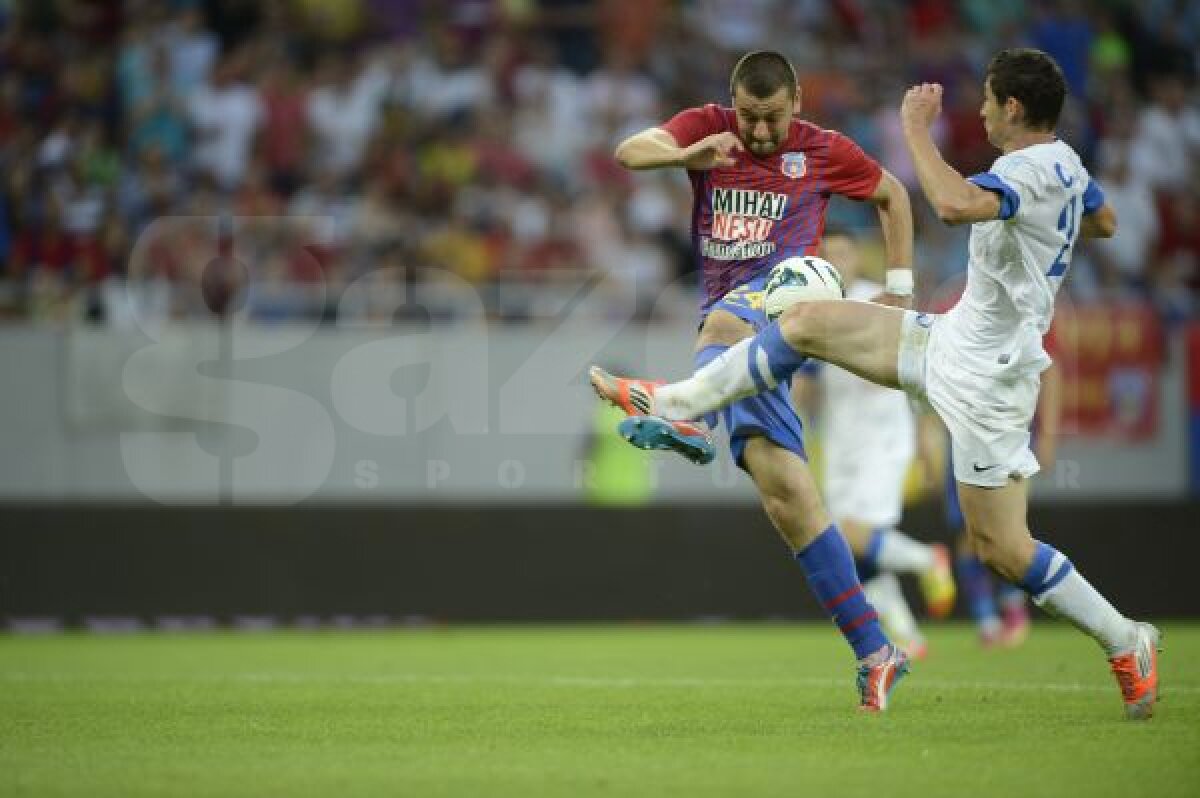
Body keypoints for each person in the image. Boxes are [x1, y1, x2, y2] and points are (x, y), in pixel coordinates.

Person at [593, 48, 1161, 719]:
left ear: (1011, 107)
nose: (976, 110)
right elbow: (1105, 220)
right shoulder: (1067, 167)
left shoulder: (1026, 167)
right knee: (801, 334)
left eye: (984, 99)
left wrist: (915, 128)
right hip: (950, 339)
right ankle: (684, 407)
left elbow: (947, 204)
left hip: (993, 375)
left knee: (1002, 548)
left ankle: (1126, 638)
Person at [604, 50, 917, 710]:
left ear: (797, 101)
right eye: (750, 116)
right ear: (732, 102)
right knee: (789, 498)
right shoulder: (708, 126)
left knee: (726, 319)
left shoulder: (823, 149)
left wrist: (898, 291)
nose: (760, 131)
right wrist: (686, 154)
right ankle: (875, 650)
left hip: (791, 299)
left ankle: (691, 415)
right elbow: (632, 152)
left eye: (772, 117)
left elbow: (892, 194)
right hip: (739, 334)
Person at [791, 228, 955, 659]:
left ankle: (928, 559)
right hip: (840, 440)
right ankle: (907, 636)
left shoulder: (879, 302)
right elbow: (806, 381)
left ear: (855, 257)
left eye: (843, 253)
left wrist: (926, 435)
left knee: (853, 534)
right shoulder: (812, 310)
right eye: (827, 255)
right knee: (848, 546)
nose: (836, 262)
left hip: (884, 436)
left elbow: (916, 368)